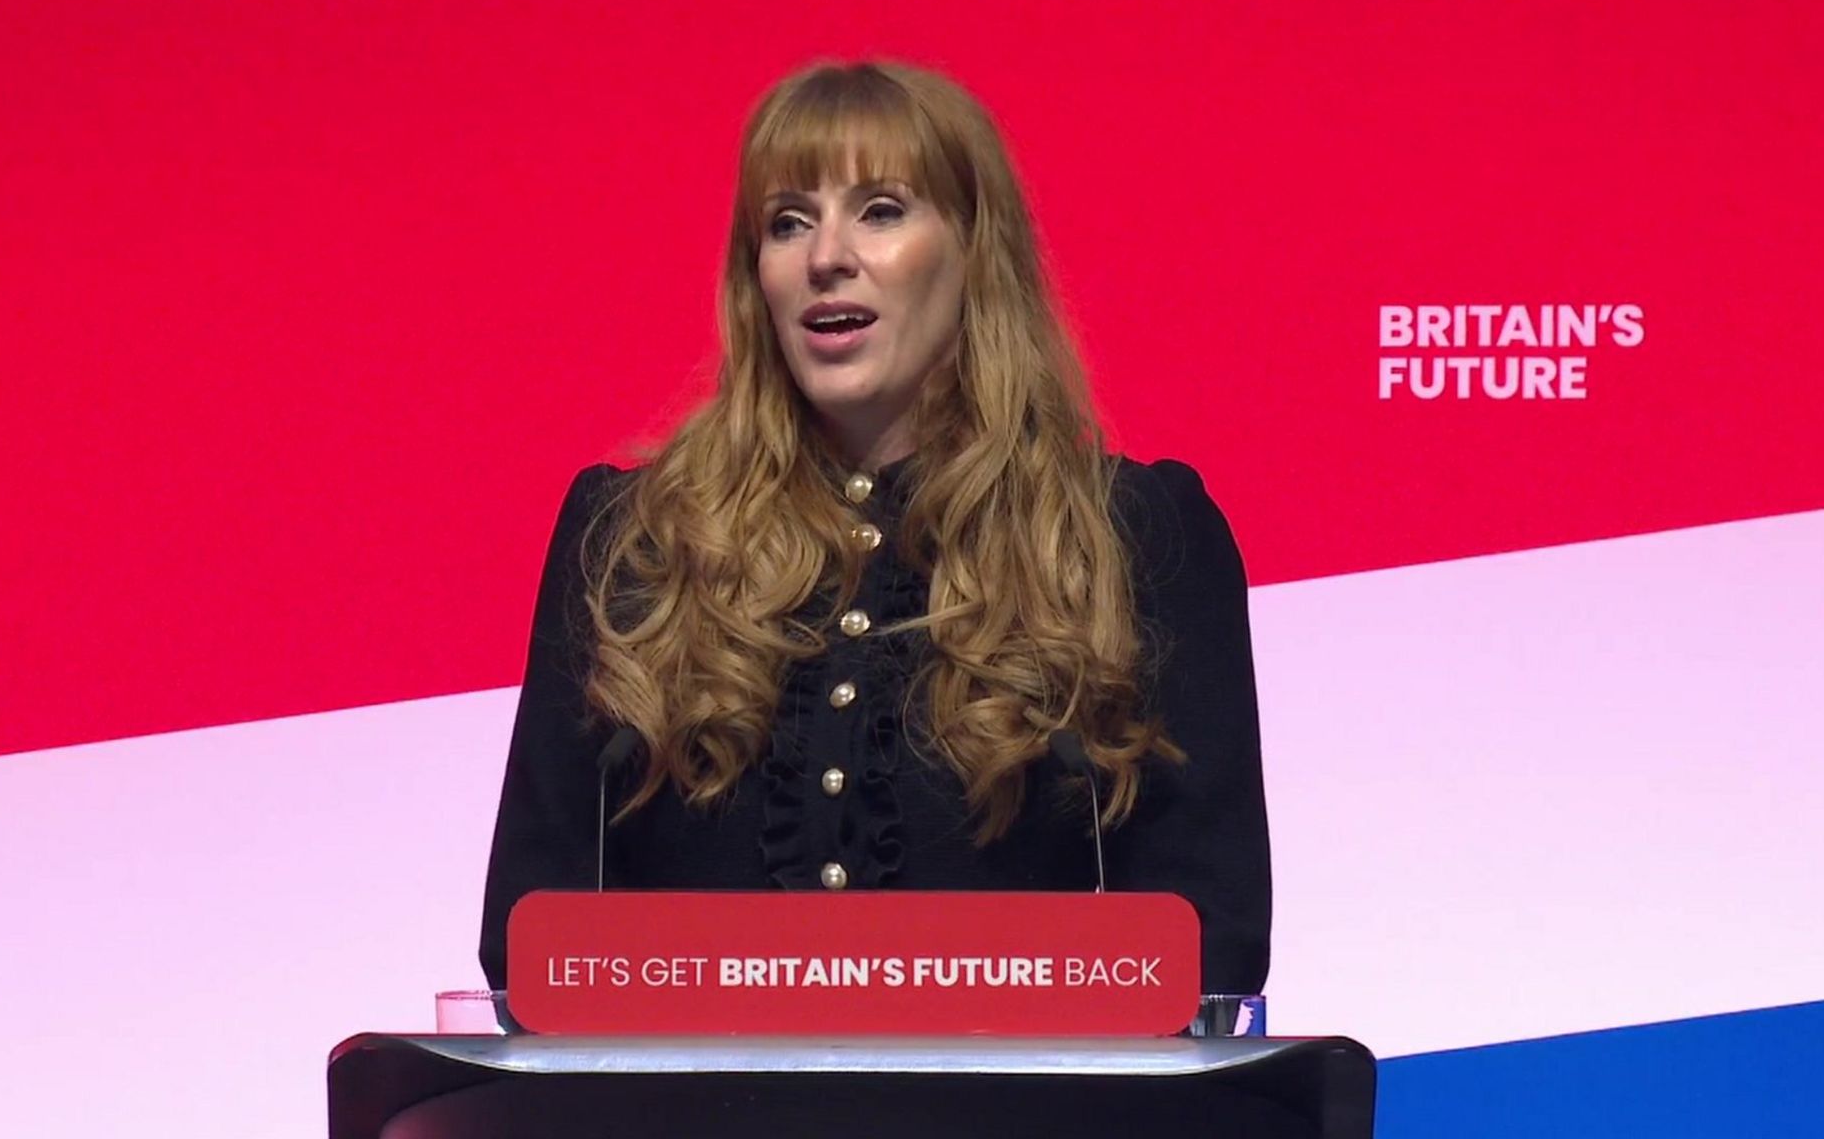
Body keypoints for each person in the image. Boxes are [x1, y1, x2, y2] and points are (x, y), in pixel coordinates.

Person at [479, 59, 1269, 997]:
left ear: (975, 249)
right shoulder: (630, 539)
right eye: (788, 222)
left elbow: (1207, 949)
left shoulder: (1134, 537)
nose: (825, 257)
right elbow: (528, 945)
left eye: (882, 211)